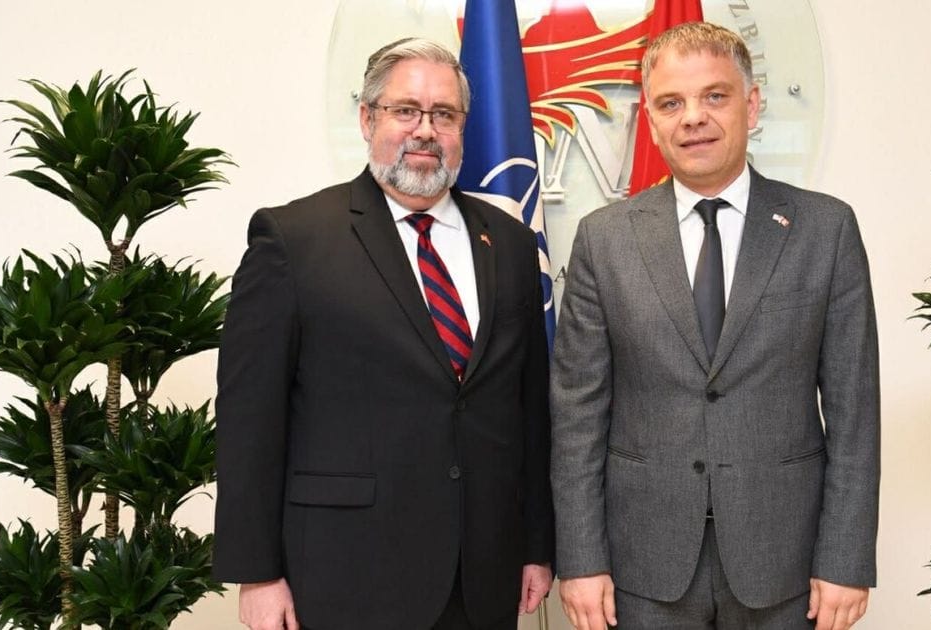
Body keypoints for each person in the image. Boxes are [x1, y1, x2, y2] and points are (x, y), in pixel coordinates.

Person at [212, 38, 554, 630]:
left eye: (443, 114)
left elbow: (528, 412)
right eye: (406, 110)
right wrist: (258, 573)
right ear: (368, 119)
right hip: (346, 572)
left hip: (482, 575)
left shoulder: (511, 244)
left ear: (462, 128)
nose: (425, 130)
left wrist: (536, 545)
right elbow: (250, 417)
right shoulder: (293, 239)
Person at [551, 21, 880, 630]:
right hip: (641, 566)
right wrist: (581, 559)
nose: (693, 118)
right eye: (671, 103)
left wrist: (845, 558)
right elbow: (577, 417)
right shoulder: (604, 239)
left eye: (715, 96)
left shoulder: (825, 230)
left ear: (751, 105)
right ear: (652, 121)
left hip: (784, 562)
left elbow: (855, 413)